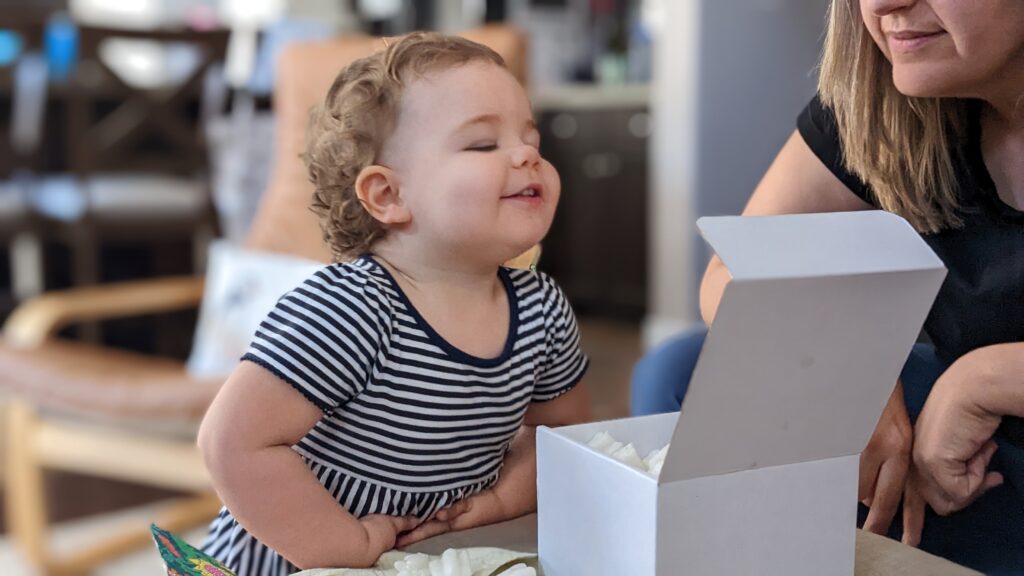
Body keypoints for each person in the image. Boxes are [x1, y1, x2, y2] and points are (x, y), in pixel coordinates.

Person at [632, 0, 1024, 572]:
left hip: (986, 448)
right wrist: (849, 372)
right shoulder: (882, 106)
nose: (884, 4)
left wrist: (982, 383)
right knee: (683, 372)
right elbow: (736, 272)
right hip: (963, 451)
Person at [197, 32, 590, 575]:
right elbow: (232, 444)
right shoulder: (350, 308)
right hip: (297, 559)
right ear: (388, 195)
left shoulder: (541, 311)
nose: (527, 155)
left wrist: (504, 499)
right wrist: (347, 548)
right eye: (482, 144)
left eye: (532, 140)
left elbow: (562, 436)